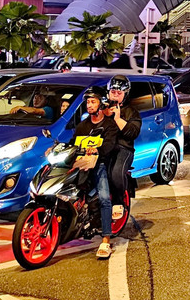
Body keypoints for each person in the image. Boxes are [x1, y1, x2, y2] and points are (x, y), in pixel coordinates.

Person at [72, 86, 118, 258]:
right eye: (88, 102)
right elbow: (73, 143)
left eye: (93, 102)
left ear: (101, 104)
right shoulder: (82, 126)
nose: (89, 105)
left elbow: (109, 146)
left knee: (105, 198)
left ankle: (106, 240)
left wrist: (97, 150)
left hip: (100, 165)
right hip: (81, 164)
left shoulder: (109, 125)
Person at [104, 75, 142, 231]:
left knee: (115, 172)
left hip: (123, 148)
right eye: (113, 92)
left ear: (126, 94)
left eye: (119, 93)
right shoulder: (102, 109)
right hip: (102, 147)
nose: (115, 95)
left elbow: (132, 132)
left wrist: (118, 118)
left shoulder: (131, 112)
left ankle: (118, 202)